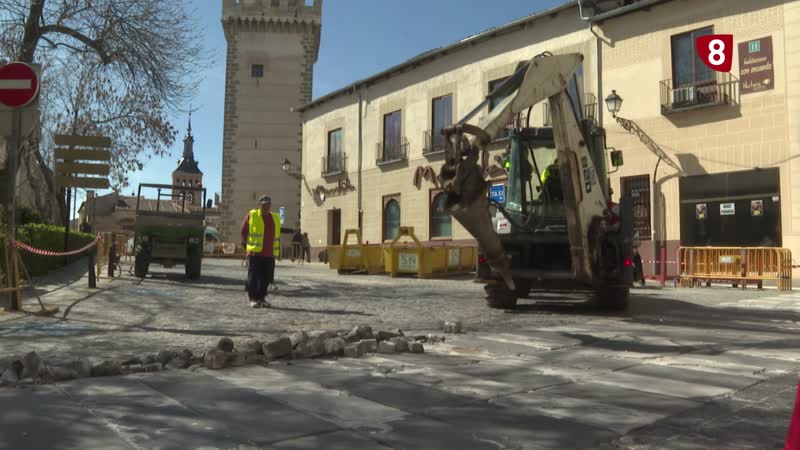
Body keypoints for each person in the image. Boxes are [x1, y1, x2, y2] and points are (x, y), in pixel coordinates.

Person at [240, 195, 281, 308]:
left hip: (269, 254)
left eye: (268, 205)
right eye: (264, 205)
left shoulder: (276, 218)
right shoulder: (253, 215)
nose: (266, 207)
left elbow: (277, 235)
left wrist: (277, 252)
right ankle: (253, 298)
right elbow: (243, 230)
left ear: (270, 205)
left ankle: (262, 298)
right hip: (255, 253)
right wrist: (247, 244)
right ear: (259, 205)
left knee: (267, 278)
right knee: (254, 277)